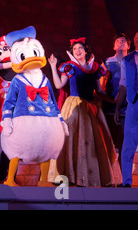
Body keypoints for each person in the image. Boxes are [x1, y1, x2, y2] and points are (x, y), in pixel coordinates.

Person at [49, 37, 121, 187]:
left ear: (85, 50)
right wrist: (53, 66)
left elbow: (99, 91)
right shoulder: (69, 67)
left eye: (80, 48)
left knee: (91, 143)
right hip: (74, 106)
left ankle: (89, 176)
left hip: (90, 108)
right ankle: (68, 175)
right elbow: (58, 84)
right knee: (72, 141)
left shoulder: (95, 68)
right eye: (74, 49)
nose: (77, 51)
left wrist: (114, 100)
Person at [101, 33, 130, 167]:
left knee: (125, 143)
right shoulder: (107, 63)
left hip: (129, 108)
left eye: (123, 41)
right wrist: (112, 100)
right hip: (110, 108)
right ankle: (109, 175)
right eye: (118, 41)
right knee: (108, 143)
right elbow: (100, 87)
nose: (121, 42)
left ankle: (124, 176)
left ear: (128, 45)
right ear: (113, 46)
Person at [115, 31, 138, 187]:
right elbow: (123, 85)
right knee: (128, 143)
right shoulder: (127, 60)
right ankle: (126, 181)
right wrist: (118, 108)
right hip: (133, 103)